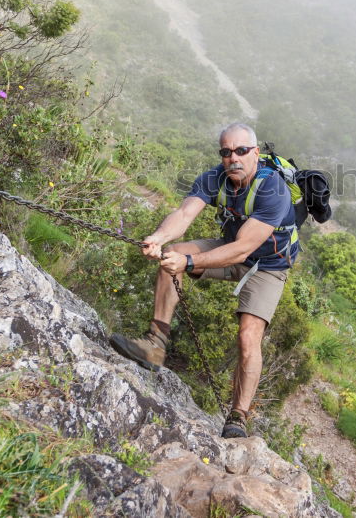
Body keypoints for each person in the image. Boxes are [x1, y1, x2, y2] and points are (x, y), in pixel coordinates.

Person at [109, 122, 299, 438]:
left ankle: (238, 416)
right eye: (226, 152)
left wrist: (189, 261)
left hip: (267, 266)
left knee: (248, 336)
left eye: (240, 150)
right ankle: (155, 345)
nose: (232, 158)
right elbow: (184, 214)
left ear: (255, 152)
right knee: (173, 255)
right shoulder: (214, 178)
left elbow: (243, 248)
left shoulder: (272, 189)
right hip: (230, 252)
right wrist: (157, 237)